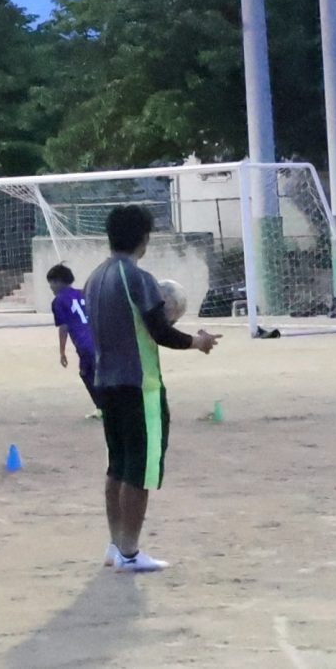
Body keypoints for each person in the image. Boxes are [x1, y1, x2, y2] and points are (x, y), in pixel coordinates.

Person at [84, 203, 219, 573]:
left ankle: (115, 546)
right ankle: (130, 553)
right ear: (144, 238)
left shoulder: (95, 278)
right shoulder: (138, 278)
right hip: (139, 385)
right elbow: (159, 332)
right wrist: (198, 341)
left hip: (106, 383)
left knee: (117, 466)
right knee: (140, 470)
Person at [46, 263, 99, 415]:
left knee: (87, 374)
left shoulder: (58, 301)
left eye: (52, 283)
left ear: (58, 282)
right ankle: (106, 406)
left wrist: (62, 352)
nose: (50, 287)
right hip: (98, 339)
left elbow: (63, 327)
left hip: (84, 343)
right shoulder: (84, 293)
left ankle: (103, 407)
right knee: (98, 373)